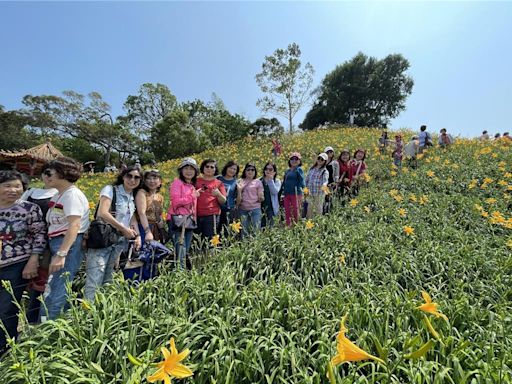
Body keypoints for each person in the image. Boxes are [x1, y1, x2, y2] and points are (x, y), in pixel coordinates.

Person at [0, 171, 46, 355]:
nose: (13, 190)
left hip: (16, 262)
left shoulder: (29, 209)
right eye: (7, 186)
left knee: (7, 307)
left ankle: (5, 347)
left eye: (17, 186)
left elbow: (39, 235)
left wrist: (33, 260)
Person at [41, 157, 90, 321]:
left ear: (62, 174)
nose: (46, 176)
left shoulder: (72, 195)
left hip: (67, 244)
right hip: (61, 242)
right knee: (56, 284)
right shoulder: (60, 194)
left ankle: (50, 328)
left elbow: (74, 225)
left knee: (59, 285)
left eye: (50, 173)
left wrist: (61, 254)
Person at [85, 166, 141, 301]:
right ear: (123, 177)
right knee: (95, 278)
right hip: (103, 238)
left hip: (119, 241)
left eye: (136, 177)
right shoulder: (110, 190)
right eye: (129, 176)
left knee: (108, 277)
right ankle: (87, 315)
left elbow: (131, 217)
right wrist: (124, 229)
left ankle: (101, 310)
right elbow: (102, 213)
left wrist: (137, 235)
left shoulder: (132, 196)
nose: (132, 180)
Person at [19, 166, 58, 324]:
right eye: (46, 173)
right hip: (24, 241)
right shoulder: (30, 192)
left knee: (41, 280)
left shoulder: (60, 194)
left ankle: (33, 317)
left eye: (53, 175)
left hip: (47, 243)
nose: (49, 177)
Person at [167, 158, 200, 269]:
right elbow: (176, 202)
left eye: (192, 169)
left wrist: (194, 219)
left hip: (188, 221)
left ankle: (181, 273)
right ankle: (179, 275)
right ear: (181, 170)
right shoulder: (177, 183)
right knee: (180, 250)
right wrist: (193, 196)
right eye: (186, 168)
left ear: (195, 172)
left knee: (184, 250)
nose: (189, 171)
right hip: (178, 221)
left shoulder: (191, 186)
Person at [194, 159, 226, 243]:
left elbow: (223, 201)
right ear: (203, 168)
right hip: (195, 215)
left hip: (212, 215)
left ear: (215, 170)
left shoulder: (219, 183)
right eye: (207, 166)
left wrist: (218, 194)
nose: (209, 169)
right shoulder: (195, 181)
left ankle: (209, 256)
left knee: (210, 240)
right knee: (197, 241)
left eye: (212, 167)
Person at [135, 170, 165, 243]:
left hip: (155, 228)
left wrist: (161, 226)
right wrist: (147, 231)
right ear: (144, 181)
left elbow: (160, 214)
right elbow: (141, 213)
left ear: (160, 181)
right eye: (148, 178)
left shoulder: (160, 197)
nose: (151, 181)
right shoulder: (142, 193)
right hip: (143, 227)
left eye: (155, 178)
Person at [237, 163, 264, 237]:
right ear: (245, 171)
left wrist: (261, 197)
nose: (250, 171)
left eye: (252, 170)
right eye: (248, 169)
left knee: (256, 230)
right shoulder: (240, 181)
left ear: (255, 172)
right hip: (243, 209)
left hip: (255, 209)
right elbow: (238, 195)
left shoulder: (258, 182)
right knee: (244, 231)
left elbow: (261, 197)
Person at [282, 152, 305, 227]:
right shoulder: (287, 171)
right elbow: (284, 182)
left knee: (296, 211)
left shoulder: (299, 170)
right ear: (289, 161)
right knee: (287, 211)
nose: (294, 160)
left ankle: (296, 227)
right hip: (287, 194)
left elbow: (302, 181)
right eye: (292, 159)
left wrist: (304, 191)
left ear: (299, 161)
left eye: (296, 159)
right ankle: (288, 226)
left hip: (296, 193)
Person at [305, 153, 329, 219]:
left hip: (319, 193)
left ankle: (319, 225)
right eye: (319, 158)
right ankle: (309, 223)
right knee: (309, 209)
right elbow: (306, 180)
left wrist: (324, 186)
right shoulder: (311, 168)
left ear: (325, 161)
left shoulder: (325, 171)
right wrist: (305, 190)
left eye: (322, 159)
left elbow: (325, 181)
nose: (320, 160)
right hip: (310, 192)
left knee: (319, 209)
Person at [218, 161, 239, 231]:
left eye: (234, 169)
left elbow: (237, 199)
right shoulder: (218, 178)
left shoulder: (237, 182)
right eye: (230, 168)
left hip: (230, 210)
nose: (232, 170)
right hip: (217, 209)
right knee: (217, 231)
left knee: (228, 232)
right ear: (226, 168)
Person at [260, 162, 281, 228]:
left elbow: (274, 192)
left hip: (271, 209)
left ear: (274, 172)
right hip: (260, 208)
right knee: (261, 228)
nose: (268, 171)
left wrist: (270, 180)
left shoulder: (277, 181)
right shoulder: (259, 180)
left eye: (270, 169)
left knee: (271, 228)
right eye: (266, 169)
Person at [324, 146, 339, 213]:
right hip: (324, 183)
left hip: (331, 183)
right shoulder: (322, 162)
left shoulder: (335, 163)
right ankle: (324, 212)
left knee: (330, 198)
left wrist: (335, 182)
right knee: (324, 199)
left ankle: (330, 212)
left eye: (331, 151)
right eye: (328, 152)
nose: (329, 153)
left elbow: (336, 174)